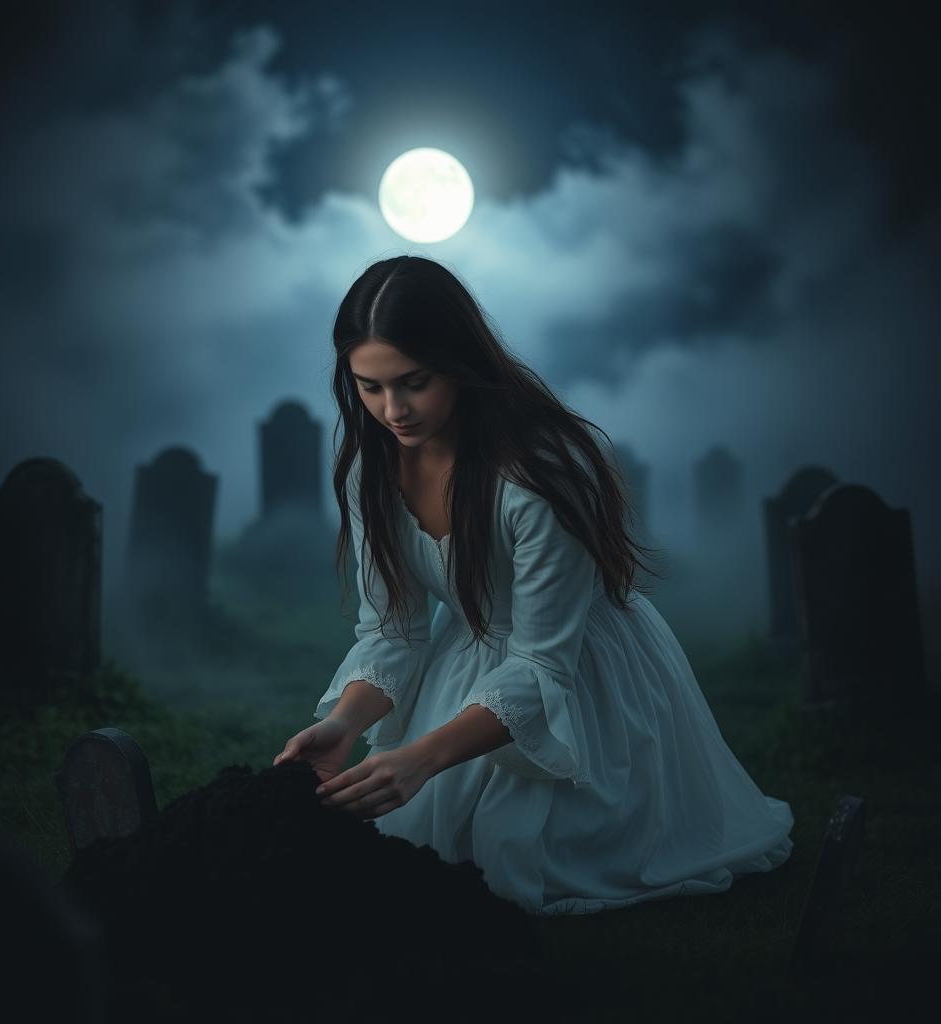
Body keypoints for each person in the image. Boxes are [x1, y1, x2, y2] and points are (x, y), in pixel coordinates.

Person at [273, 254, 793, 915]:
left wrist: (425, 757)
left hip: (582, 674)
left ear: (460, 362)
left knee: (513, 865)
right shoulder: (370, 471)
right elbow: (394, 630)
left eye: (414, 382)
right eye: (369, 387)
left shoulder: (539, 473)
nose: (392, 409)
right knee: (424, 862)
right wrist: (345, 725)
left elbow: (543, 661)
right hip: (464, 662)